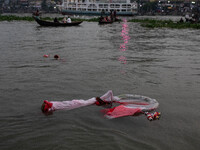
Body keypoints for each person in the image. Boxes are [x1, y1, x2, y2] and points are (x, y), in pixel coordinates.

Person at [41, 90, 115, 113]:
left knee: (91, 101)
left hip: (76, 104)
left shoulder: (52, 106)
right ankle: (106, 98)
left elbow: (48, 107)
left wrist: (46, 109)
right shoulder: (53, 103)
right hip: (74, 103)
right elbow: (47, 102)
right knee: (90, 102)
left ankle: (109, 93)